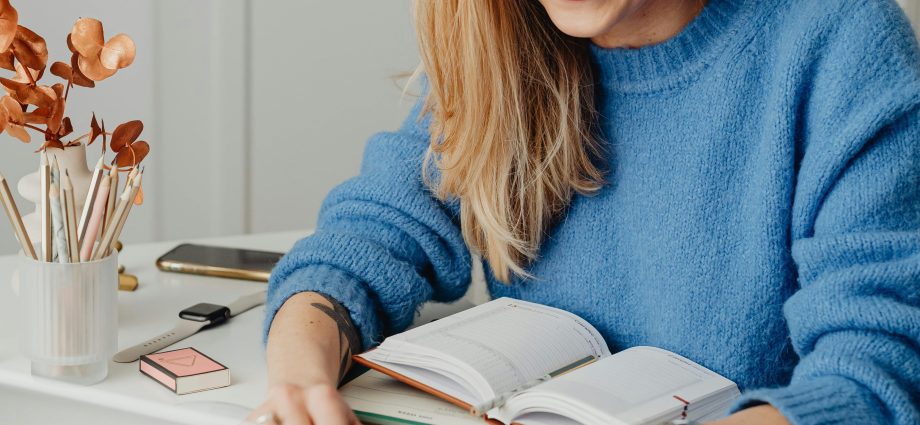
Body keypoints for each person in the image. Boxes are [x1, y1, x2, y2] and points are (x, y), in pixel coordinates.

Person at [250, 0, 920, 424]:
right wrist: (301, 379)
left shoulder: (840, 41)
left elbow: (874, 375)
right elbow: (362, 243)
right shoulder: (502, 36)